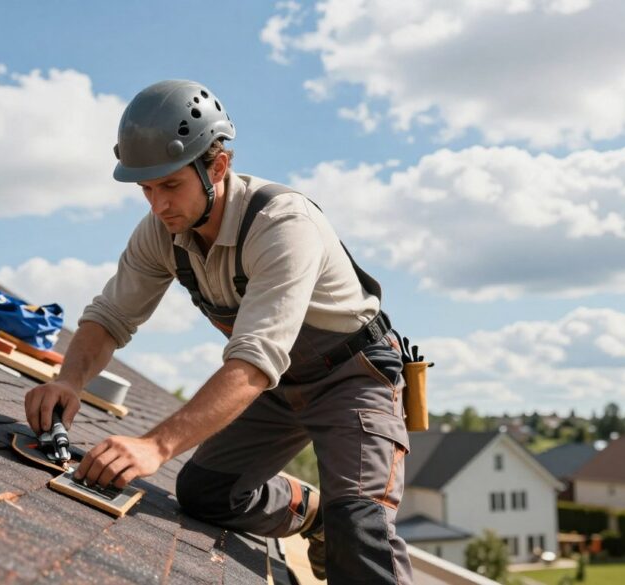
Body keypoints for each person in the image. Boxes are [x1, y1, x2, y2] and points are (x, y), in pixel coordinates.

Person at [24, 79, 412, 584]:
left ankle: (336, 520)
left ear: (218, 167)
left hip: (351, 381)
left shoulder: (282, 224)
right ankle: (308, 512)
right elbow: (109, 317)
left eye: (169, 185)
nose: (158, 206)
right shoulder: (162, 233)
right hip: (279, 385)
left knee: (360, 531)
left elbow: (252, 363)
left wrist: (155, 446)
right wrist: (68, 380)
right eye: (146, 189)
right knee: (206, 492)